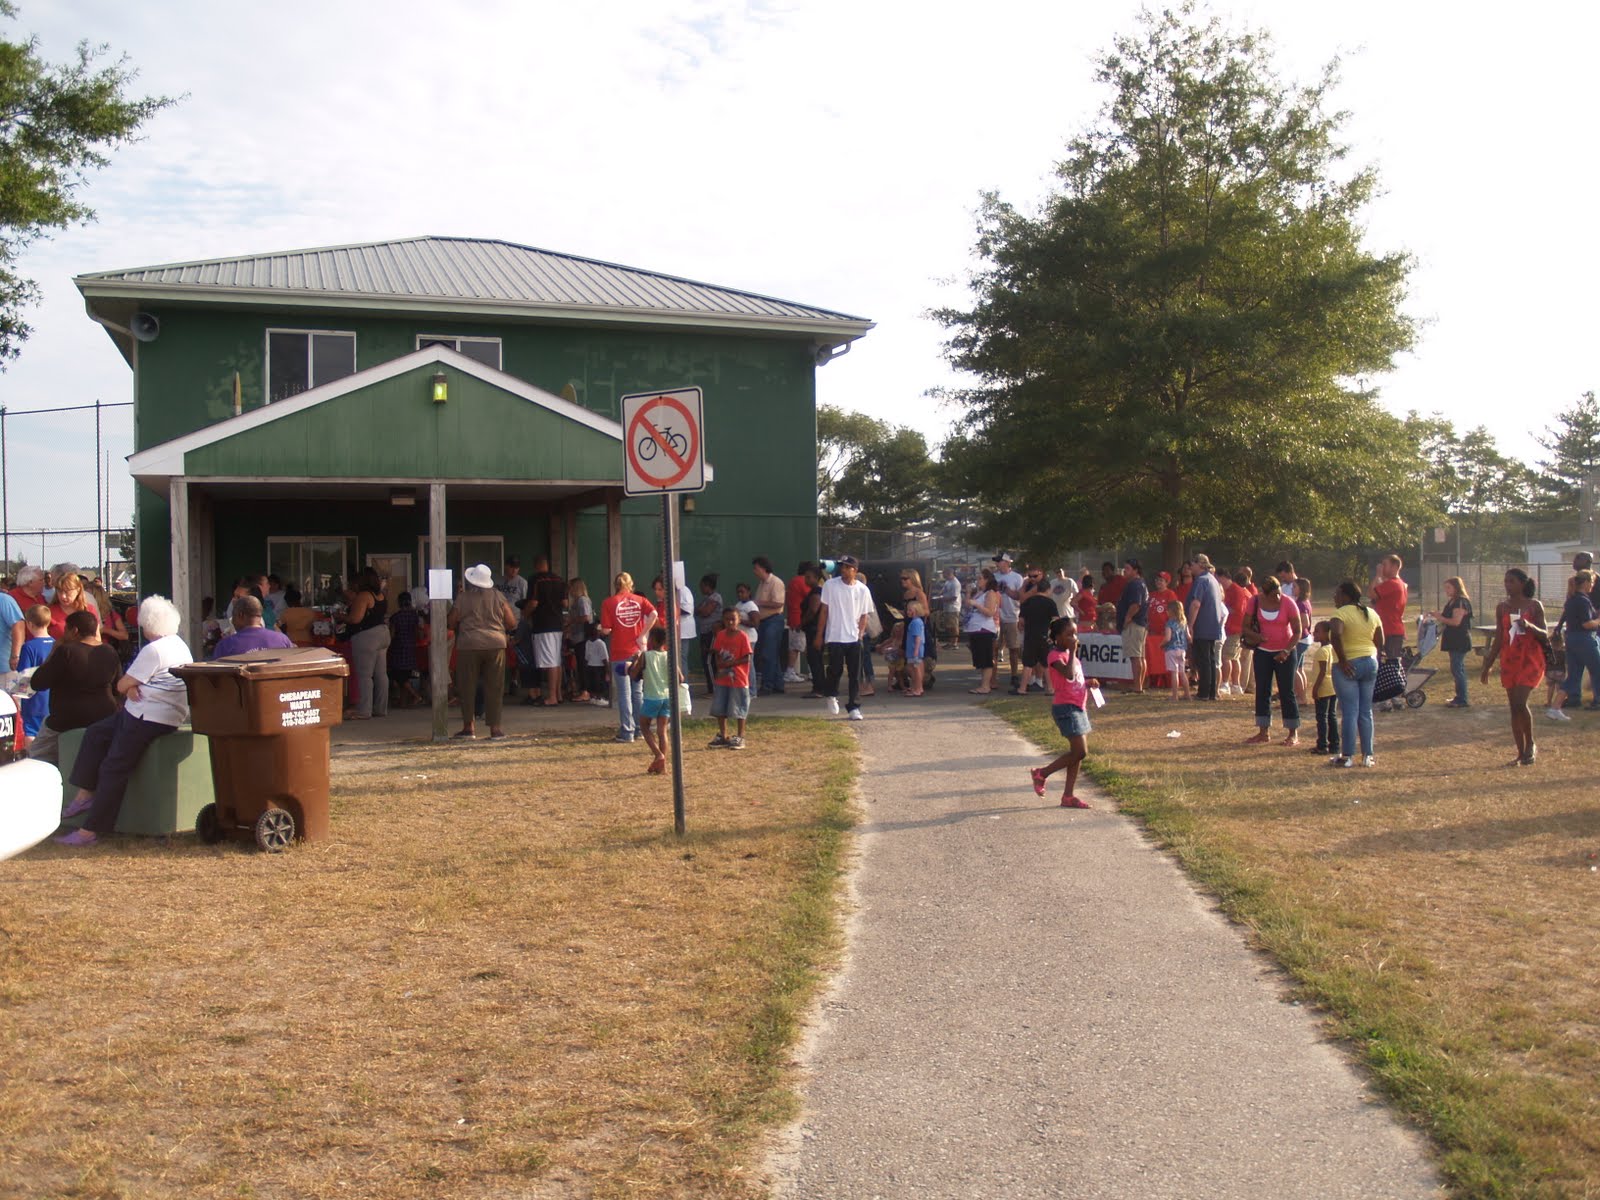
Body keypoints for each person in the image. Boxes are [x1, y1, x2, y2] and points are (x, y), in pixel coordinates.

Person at [56, 596, 193, 847]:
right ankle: (84, 795)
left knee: (113, 767)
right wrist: (132, 686)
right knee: (97, 733)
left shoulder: (153, 650)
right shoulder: (179, 644)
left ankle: (91, 830)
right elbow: (131, 684)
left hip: (146, 715)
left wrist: (131, 686)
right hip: (158, 713)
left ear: (147, 625)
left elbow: (121, 684)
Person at [25, 609, 120, 766]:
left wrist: (54, 650)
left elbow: (38, 682)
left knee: (38, 756)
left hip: (66, 719)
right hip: (104, 716)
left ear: (74, 631)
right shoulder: (109, 651)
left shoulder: (66, 651)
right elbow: (117, 688)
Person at [1479, 568, 1549, 765]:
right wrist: (1488, 663)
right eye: (1506, 581)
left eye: (1511, 581)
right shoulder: (1502, 607)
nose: (1507, 585)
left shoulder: (1534, 606)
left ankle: (1531, 744)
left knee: (1520, 702)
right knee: (1513, 707)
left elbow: (1544, 633)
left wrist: (1530, 626)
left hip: (1530, 658)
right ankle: (1520, 752)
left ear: (1522, 584)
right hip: (1510, 659)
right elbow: (1499, 637)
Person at [1028, 616, 1097, 809]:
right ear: (1057, 637)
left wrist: (1087, 683)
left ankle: (1068, 795)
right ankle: (1042, 773)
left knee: (1077, 754)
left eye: (1075, 633)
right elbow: (1067, 673)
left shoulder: (1069, 654)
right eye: (1069, 634)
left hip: (1078, 706)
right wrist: (1073, 651)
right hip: (1065, 708)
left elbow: (1074, 678)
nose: (1073, 637)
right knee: (1080, 751)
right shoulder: (1055, 656)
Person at [448, 564, 518, 741]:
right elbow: (511, 623)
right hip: (495, 644)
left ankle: (468, 727)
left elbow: (451, 622)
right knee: (495, 686)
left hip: (469, 644)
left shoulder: (463, 597)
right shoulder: (498, 596)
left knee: (467, 686)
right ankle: (495, 729)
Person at [1328, 580, 1384, 768]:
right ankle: (1368, 755)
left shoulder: (1340, 613)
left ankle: (1347, 756)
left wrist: (1343, 660)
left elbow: (1335, 634)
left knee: (1350, 711)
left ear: (1345, 595)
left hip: (1349, 664)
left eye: (1337, 594)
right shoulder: (1371, 613)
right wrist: (1375, 656)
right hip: (1370, 661)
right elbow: (1380, 639)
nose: (1335, 597)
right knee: (1365, 711)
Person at [1242, 575, 1303, 746]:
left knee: (1286, 691)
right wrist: (1258, 636)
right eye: (1273, 595)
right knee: (1262, 691)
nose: (1277, 598)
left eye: (1279, 593)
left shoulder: (1288, 603)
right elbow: (1245, 627)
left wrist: (1286, 650)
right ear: (1264, 593)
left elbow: (1298, 631)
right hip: (1263, 652)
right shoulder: (1254, 602)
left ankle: (1293, 732)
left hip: (1285, 652)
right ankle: (1263, 732)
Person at [815, 555, 875, 720]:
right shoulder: (830, 585)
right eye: (842, 566)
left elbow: (864, 615)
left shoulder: (863, 590)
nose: (843, 570)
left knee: (855, 674)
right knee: (835, 669)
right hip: (835, 636)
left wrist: (860, 634)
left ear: (855, 570)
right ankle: (831, 694)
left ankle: (854, 707)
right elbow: (824, 611)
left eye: (847, 567)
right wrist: (819, 635)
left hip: (854, 638)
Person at [599, 571, 657, 743]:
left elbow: (606, 630)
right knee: (637, 692)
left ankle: (627, 731)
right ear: (631, 584)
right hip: (638, 650)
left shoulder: (608, 603)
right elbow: (653, 614)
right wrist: (643, 634)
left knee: (624, 693)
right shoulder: (639, 600)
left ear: (615, 585)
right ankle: (640, 729)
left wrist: (600, 628)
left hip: (619, 652)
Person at [630, 626, 679, 774]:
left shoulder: (646, 656)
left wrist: (634, 661)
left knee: (644, 726)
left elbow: (633, 675)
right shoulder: (669, 656)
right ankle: (662, 767)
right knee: (662, 731)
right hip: (667, 697)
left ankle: (658, 755)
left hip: (652, 697)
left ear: (652, 640)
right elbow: (680, 677)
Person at [1554, 569, 1600, 714]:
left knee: (1574, 675)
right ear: (1585, 582)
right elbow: (1586, 624)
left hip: (1571, 639)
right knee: (1597, 669)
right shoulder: (1583, 600)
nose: (1592, 585)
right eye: (1591, 582)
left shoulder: (1571, 599)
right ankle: (1598, 700)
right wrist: (1598, 621)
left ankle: (1556, 706)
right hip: (1584, 639)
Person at [524, 555, 567, 707]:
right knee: (556, 659)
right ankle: (559, 694)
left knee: (550, 661)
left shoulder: (536, 580)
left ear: (536, 566)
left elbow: (533, 602)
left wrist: (525, 614)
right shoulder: (560, 580)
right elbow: (565, 603)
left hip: (543, 623)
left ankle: (552, 696)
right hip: (558, 623)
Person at [708, 605, 753, 749]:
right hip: (723, 678)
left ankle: (740, 736)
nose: (730, 623)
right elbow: (716, 653)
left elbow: (747, 658)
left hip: (738, 679)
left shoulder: (742, 637)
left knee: (740, 707)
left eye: (733, 619)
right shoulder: (720, 635)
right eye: (727, 620)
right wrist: (719, 665)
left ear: (739, 620)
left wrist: (731, 663)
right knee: (720, 707)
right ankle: (723, 735)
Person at [1426, 577, 1474, 708]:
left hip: (1460, 639)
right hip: (1452, 639)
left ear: (1456, 587)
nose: (1446, 590)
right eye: (1445, 587)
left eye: (1449, 587)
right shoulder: (1452, 601)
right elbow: (1448, 616)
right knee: (1457, 668)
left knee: (1457, 669)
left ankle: (1462, 699)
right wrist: (1436, 614)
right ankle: (1460, 696)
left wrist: (1439, 617)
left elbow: (1455, 622)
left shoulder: (1461, 602)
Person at [1371, 555, 1409, 709]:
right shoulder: (1399, 584)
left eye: (1385, 564)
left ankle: (1387, 697)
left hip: (1388, 629)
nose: (1382, 567)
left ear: (1394, 566)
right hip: (1393, 628)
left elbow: (1371, 593)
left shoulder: (1393, 584)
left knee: (1386, 663)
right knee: (1393, 662)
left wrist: (1378, 576)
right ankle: (1394, 697)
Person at [1186, 552, 1226, 700]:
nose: (1191, 567)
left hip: (1202, 625)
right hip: (1213, 626)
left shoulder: (1201, 580)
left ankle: (1203, 693)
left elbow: (1196, 604)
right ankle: (1211, 692)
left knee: (1203, 660)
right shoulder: (1214, 580)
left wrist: (1190, 624)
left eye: (1193, 564)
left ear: (1200, 564)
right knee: (1210, 660)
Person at [1016, 571, 1059, 695]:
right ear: (1048, 589)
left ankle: (1022, 688)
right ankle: (1050, 689)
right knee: (1046, 664)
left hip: (1030, 636)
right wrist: (1053, 636)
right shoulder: (1050, 603)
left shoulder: (1027, 603)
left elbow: (1021, 622)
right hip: (1044, 636)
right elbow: (1056, 621)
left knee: (1028, 664)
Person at [961, 568, 1003, 695]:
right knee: (979, 659)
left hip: (984, 629)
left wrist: (977, 605)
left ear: (987, 580)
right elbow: (968, 605)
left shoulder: (990, 593)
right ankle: (983, 684)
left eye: (980, 578)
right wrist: (968, 593)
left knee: (986, 659)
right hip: (974, 628)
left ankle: (985, 686)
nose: (977, 581)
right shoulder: (980, 592)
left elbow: (990, 612)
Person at [16, 605, 53, 742]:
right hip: (52, 700)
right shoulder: (57, 644)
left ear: (29, 624)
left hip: (34, 702)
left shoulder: (29, 647)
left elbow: (23, 678)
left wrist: (16, 696)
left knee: (31, 732)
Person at [751, 556, 787, 695]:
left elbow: (779, 603)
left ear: (763, 568)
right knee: (772, 654)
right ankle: (778, 684)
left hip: (773, 620)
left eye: (756, 568)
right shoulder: (761, 583)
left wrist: (759, 603)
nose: (754, 571)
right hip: (764, 621)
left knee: (768, 654)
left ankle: (767, 685)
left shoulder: (776, 583)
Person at [214, 595, 295, 657]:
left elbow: (216, 676)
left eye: (233, 617)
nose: (233, 621)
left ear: (240, 615)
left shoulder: (225, 645)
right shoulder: (282, 640)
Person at [992, 553, 1026, 691]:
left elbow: (1021, 597)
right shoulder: (994, 577)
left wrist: (1022, 616)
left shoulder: (1017, 578)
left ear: (1006, 562)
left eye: (999, 561)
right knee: (994, 648)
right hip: (997, 617)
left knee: (1013, 648)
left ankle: (1014, 675)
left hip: (1012, 616)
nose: (997, 564)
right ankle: (994, 677)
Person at [1115, 559, 1149, 693]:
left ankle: (1137, 686)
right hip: (1141, 623)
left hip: (1134, 624)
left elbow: (1136, 604)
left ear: (1135, 570)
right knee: (1140, 656)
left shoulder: (1135, 584)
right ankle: (1138, 685)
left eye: (1128, 568)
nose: (1125, 571)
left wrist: (1127, 618)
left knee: (1135, 656)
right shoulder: (1140, 584)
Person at [387, 591, 425, 707]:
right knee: (406, 675)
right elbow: (419, 633)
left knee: (398, 675)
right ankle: (403, 702)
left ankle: (416, 695)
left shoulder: (395, 617)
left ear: (399, 602)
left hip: (398, 648)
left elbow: (392, 635)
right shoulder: (415, 616)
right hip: (411, 647)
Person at [1308, 621, 1339, 755]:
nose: (1314, 633)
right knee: (1332, 716)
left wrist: (1315, 689)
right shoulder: (1333, 648)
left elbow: (1322, 672)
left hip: (1323, 687)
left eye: (1317, 631)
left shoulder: (1321, 651)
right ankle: (1334, 744)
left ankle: (1322, 745)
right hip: (1333, 687)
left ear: (1327, 634)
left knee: (1322, 717)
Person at [1144, 570, 1179, 687]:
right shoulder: (1152, 595)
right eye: (1157, 580)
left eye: (1161, 580)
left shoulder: (1170, 594)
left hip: (1165, 633)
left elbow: (1174, 613)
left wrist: (1170, 629)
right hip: (1153, 633)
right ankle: (1153, 680)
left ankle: (1167, 681)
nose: (1158, 582)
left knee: (1165, 659)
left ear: (1166, 582)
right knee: (1153, 658)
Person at [784, 562, 812, 685]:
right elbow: (810, 595)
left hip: (795, 617)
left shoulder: (793, 581)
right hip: (799, 619)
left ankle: (810, 671)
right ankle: (789, 672)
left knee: (802, 645)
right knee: (796, 646)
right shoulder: (801, 581)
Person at [48, 572, 93, 640]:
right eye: (59, 591)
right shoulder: (48, 611)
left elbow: (96, 639)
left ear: (78, 590)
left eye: (67, 592)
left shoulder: (88, 609)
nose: (63, 596)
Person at [1163, 604, 1190, 700]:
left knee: (1174, 673)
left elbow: (1167, 638)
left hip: (1171, 649)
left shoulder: (1169, 623)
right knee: (1182, 673)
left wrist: (1162, 644)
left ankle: (1175, 696)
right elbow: (1189, 636)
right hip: (1182, 649)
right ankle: (1187, 694)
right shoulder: (1184, 622)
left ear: (1171, 612)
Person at [902, 600, 927, 697]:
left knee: (915, 670)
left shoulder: (915, 623)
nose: (908, 612)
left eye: (909, 610)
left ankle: (918, 688)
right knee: (914, 669)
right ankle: (916, 687)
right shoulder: (917, 621)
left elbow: (918, 638)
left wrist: (916, 650)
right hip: (914, 650)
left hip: (914, 650)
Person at [583, 624, 609, 706]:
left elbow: (587, 656)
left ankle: (593, 697)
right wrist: (608, 670)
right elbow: (604, 657)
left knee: (592, 682)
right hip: (599, 666)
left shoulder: (588, 642)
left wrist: (586, 666)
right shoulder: (601, 643)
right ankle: (599, 698)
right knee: (600, 683)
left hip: (590, 665)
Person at [937, 569, 962, 647]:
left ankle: (954, 643)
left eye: (944, 574)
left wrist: (942, 599)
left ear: (949, 574)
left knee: (954, 625)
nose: (943, 576)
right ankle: (950, 642)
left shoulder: (956, 583)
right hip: (947, 607)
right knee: (949, 626)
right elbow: (943, 590)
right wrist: (940, 593)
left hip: (953, 608)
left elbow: (954, 597)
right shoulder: (948, 581)